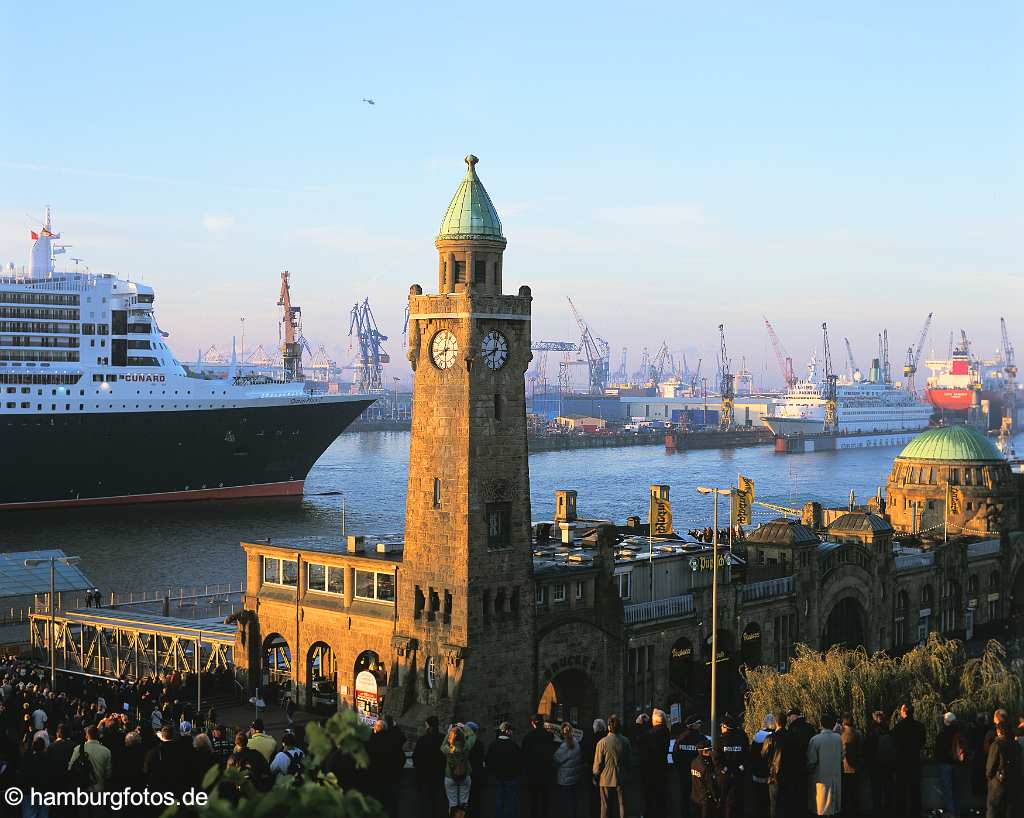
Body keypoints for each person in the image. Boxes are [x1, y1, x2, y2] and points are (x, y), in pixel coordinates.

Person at [780, 708, 816, 817]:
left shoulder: (792, 728)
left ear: (794, 716)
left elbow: (790, 748)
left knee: (796, 791)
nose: (789, 718)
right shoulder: (810, 727)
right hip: (807, 763)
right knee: (805, 790)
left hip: (794, 765)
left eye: (790, 716)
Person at [892, 703, 926, 818]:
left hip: (901, 763)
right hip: (915, 762)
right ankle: (916, 813)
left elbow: (894, 744)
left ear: (904, 712)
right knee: (915, 791)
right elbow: (922, 743)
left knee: (901, 791)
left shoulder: (898, 727)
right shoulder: (920, 726)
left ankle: (901, 813)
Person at [592, 714, 629, 818]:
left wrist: (595, 775)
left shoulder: (602, 743)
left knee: (605, 806)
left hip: (606, 778)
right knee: (622, 804)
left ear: (608, 726)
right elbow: (629, 761)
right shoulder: (625, 741)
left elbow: (597, 763)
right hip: (621, 777)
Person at [713, 715, 749, 818]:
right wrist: (738, 769)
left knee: (724, 803)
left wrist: (726, 770)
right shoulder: (742, 739)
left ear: (725, 726)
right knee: (738, 803)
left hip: (724, 777)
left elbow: (716, 760)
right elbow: (746, 757)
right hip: (739, 776)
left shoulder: (719, 741)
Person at [807, 714, 842, 816]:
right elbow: (842, 756)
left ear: (821, 724)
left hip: (820, 779)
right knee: (832, 808)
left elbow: (811, 761)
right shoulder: (838, 738)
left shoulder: (815, 739)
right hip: (835, 777)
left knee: (821, 808)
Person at [486, 721, 523, 818]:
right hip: (511, 776)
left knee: (499, 799)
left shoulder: (493, 745)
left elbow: (488, 761)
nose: (512, 733)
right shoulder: (514, 745)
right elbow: (519, 761)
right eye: (511, 731)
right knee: (512, 800)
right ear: (507, 731)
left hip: (498, 776)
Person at [521, 714, 556, 818]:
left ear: (532, 723)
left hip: (533, 773)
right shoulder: (549, 736)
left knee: (533, 799)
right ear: (542, 723)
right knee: (545, 798)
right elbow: (552, 753)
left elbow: (524, 756)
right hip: (546, 771)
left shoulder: (528, 737)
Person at [639, 709, 670, 818]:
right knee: (661, 798)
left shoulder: (651, 734)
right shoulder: (665, 731)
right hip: (662, 769)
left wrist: (640, 724)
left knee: (649, 798)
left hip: (650, 771)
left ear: (654, 721)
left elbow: (642, 740)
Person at [934, 711, 966, 817]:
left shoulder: (941, 735)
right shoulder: (959, 734)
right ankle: (957, 811)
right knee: (957, 788)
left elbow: (937, 751)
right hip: (957, 764)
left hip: (944, 764)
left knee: (947, 789)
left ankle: (950, 812)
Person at [413, 716, 445, 818]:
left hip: (425, 777)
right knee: (438, 805)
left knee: (426, 805)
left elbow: (416, 757)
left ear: (429, 726)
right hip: (439, 776)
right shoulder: (443, 739)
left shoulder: (423, 740)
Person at [985, 722, 1020, 818]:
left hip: (998, 785)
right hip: (1014, 784)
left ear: (998, 731)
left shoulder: (996, 745)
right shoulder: (1016, 744)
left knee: (994, 812)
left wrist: (989, 778)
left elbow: (990, 768)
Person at [441, 723, 476, 816]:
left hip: (450, 776)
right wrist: (464, 727)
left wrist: (450, 732)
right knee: (463, 803)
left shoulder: (449, 748)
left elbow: (442, 746)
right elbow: (473, 736)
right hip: (465, 775)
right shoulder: (466, 745)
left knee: (452, 804)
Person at [674, 716, 705, 818]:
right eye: (699, 723)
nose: (701, 725)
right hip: (698, 774)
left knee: (684, 797)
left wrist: (680, 768)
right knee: (699, 797)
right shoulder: (701, 738)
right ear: (693, 725)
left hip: (684, 773)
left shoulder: (680, 738)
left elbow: (675, 755)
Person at [67, 725, 112, 793]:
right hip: (99, 788)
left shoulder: (78, 749)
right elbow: (108, 774)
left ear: (86, 736)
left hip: (82, 788)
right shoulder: (106, 751)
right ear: (98, 736)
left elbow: (70, 768)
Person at [554, 721, 584, 818]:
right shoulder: (576, 743)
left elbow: (557, 758)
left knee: (566, 803)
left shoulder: (564, 745)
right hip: (574, 777)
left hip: (565, 779)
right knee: (574, 802)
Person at [750, 714, 777, 817]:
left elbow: (753, 754)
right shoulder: (775, 735)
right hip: (771, 772)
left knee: (759, 797)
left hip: (758, 771)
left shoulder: (758, 735)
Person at [583, 719, 608, 818]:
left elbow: (587, 754)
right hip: (605, 770)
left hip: (593, 769)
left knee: (593, 795)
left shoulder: (591, 739)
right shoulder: (606, 738)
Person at [689, 737, 720, 818]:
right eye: (709, 750)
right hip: (705, 801)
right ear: (704, 751)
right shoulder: (706, 766)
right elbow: (710, 784)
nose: (711, 752)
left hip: (695, 798)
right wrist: (716, 798)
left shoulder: (694, 762)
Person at [839, 714, 862, 817]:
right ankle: (856, 811)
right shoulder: (857, 733)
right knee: (855, 793)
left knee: (845, 793)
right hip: (856, 766)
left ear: (844, 722)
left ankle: (845, 811)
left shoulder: (841, 734)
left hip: (844, 767)